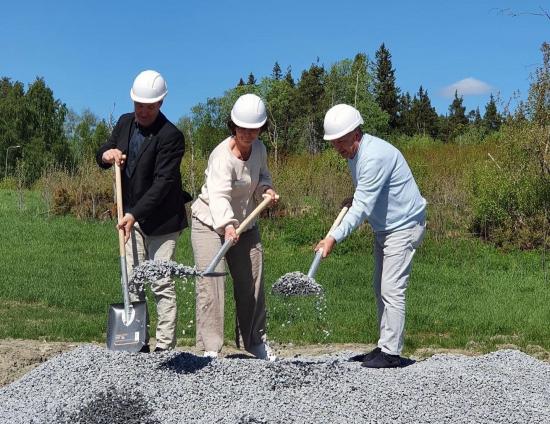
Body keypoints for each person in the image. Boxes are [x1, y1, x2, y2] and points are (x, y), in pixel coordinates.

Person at [315, 104, 426, 368]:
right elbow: (368, 193)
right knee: (380, 287)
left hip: (404, 225)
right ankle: (384, 345)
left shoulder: (374, 155)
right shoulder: (356, 155)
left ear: (355, 133)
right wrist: (355, 197)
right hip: (385, 228)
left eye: (341, 141)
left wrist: (333, 237)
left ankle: (392, 353)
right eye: (333, 143)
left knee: (392, 288)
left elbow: (362, 207)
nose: (338, 147)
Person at [96, 70, 191, 353]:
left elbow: (163, 184)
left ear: (161, 103)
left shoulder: (171, 136)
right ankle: (136, 344)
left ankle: (164, 348)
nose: (143, 111)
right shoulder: (125, 122)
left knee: (161, 282)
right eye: (139, 104)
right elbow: (104, 149)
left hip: (163, 220)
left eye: (150, 106)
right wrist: (107, 155)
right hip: (130, 217)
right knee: (132, 280)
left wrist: (134, 215)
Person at [191, 93, 278, 360]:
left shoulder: (260, 149)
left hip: (246, 222)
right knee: (212, 281)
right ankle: (210, 348)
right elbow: (219, 195)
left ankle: (254, 342)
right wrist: (228, 226)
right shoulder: (221, 156)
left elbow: (261, 174)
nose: (248, 134)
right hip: (209, 223)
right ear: (233, 125)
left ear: (261, 128)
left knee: (252, 281)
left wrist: (265, 188)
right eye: (242, 128)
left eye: (253, 129)